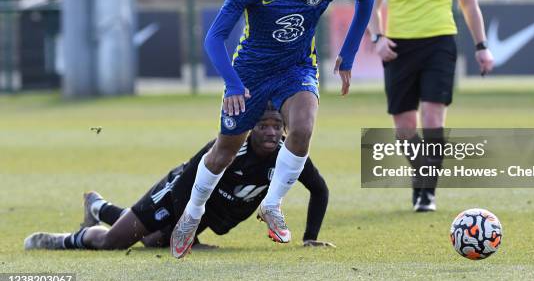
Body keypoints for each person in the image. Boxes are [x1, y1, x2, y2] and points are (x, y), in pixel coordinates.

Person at [170, 0, 374, 258]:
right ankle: (193, 212)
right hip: (250, 74)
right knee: (224, 152)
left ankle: (272, 203)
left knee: (304, 126)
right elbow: (214, 38)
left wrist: (349, 52)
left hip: (296, 69)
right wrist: (233, 84)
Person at [24, 108, 335, 251]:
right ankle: (69, 237)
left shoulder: (288, 156)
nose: (270, 131)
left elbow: (319, 190)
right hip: (176, 194)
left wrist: (309, 237)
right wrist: (185, 233)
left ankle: (99, 207)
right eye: (263, 125)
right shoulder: (230, 147)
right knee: (115, 242)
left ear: (284, 129)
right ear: (250, 128)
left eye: (276, 125)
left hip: (204, 213)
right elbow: (187, 181)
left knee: (153, 239)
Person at [367, 0, 494, 212]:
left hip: (440, 42)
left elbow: (469, 3)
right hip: (399, 47)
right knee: (404, 127)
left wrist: (481, 46)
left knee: (434, 117)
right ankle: (421, 178)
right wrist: (378, 39)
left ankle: (427, 192)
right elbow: (371, 4)